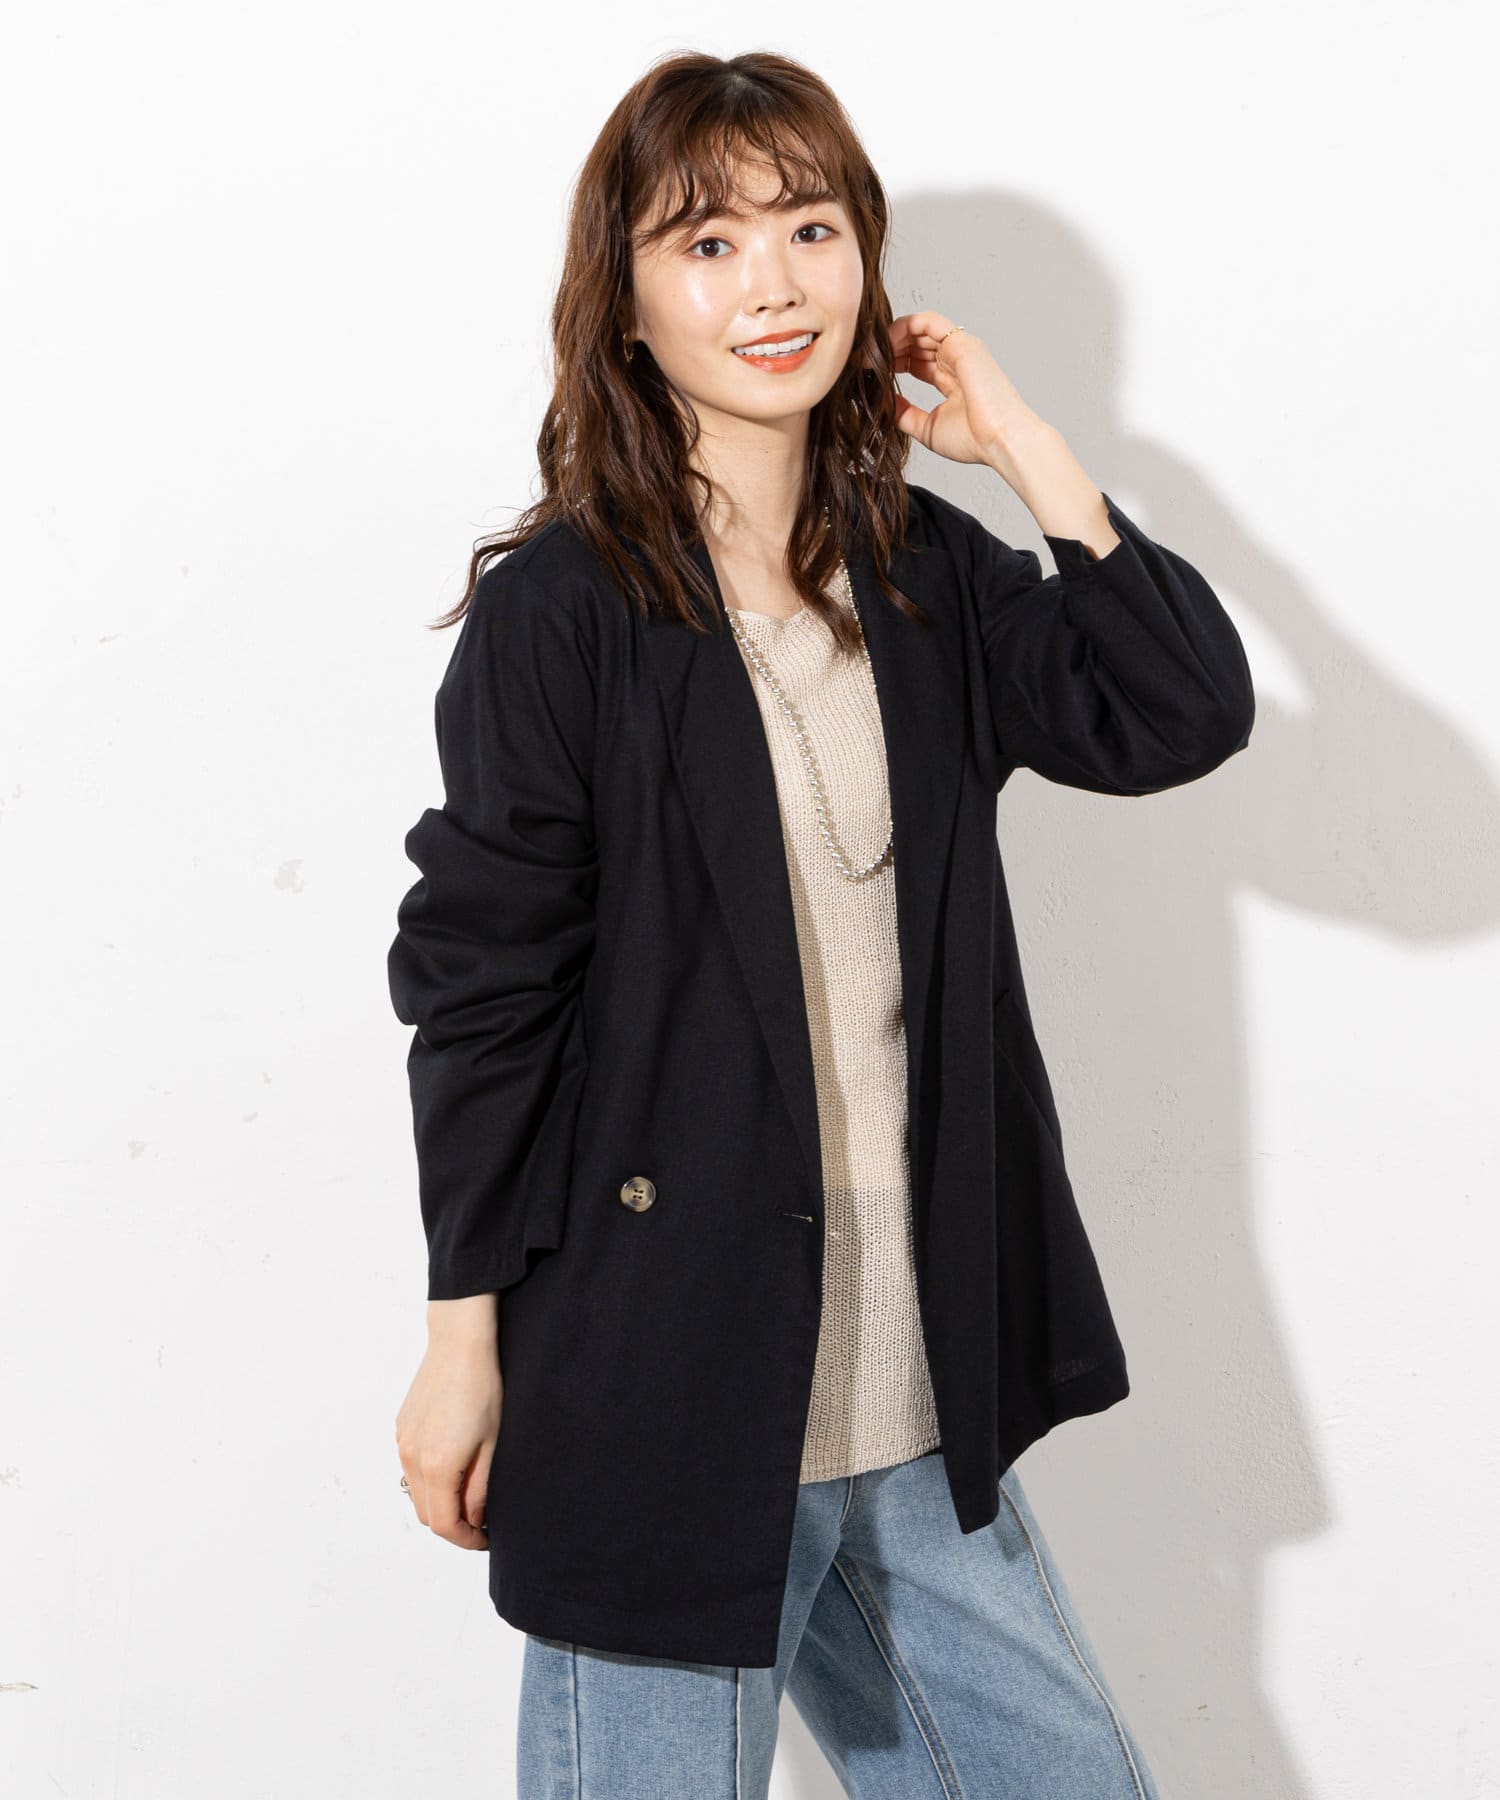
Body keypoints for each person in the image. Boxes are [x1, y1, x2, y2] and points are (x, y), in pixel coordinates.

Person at [389, 48, 1253, 1800]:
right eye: (706, 243)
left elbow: (1178, 713)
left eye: (809, 227)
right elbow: (484, 994)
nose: (771, 284)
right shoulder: (565, 613)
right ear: (627, 302)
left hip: (917, 1386)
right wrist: (459, 1345)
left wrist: (1028, 450)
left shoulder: (926, 573)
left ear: (866, 256)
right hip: (666, 1376)